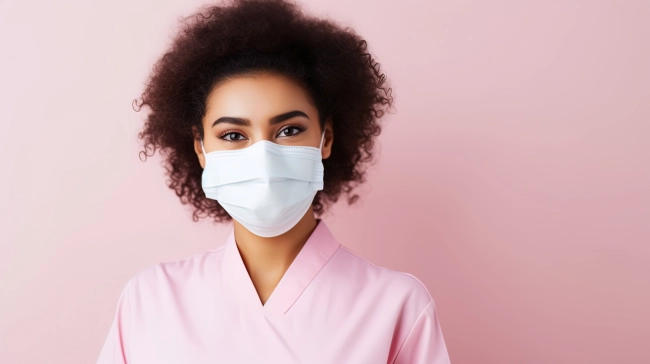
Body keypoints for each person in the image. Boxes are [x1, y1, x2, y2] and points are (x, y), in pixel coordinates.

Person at [97, 0, 450, 362]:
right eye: (234, 135)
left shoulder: (397, 306)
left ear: (325, 138)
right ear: (201, 148)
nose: (263, 158)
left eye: (289, 130)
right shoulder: (150, 300)